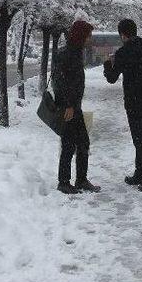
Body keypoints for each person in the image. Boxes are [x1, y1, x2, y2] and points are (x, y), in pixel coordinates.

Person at [104, 19, 142, 192]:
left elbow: (112, 78)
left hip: (135, 104)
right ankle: (139, 173)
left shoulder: (124, 52)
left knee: (139, 140)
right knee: (141, 137)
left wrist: (108, 63)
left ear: (123, 34)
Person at [52, 20, 101, 194]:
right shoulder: (66, 54)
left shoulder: (75, 52)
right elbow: (60, 83)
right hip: (68, 107)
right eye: (88, 35)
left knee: (82, 143)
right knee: (69, 144)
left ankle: (80, 180)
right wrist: (68, 105)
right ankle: (64, 182)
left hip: (74, 107)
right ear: (81, 36)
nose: (90, 39)